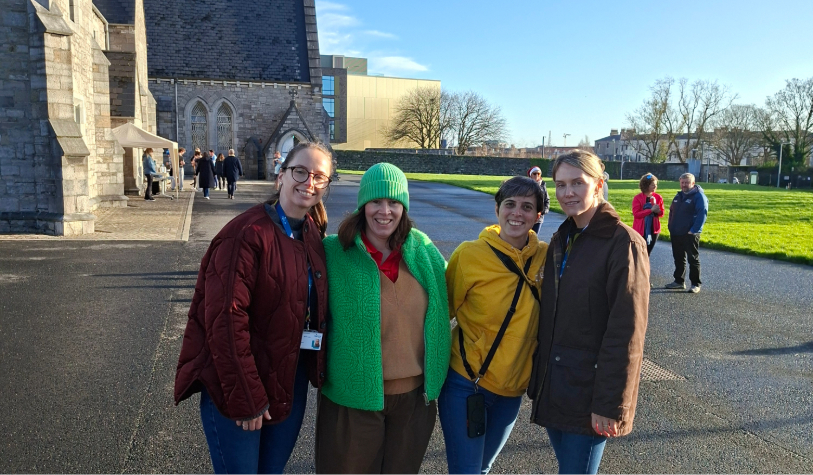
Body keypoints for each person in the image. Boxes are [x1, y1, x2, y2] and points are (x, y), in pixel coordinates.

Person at [174, 141, 335, 474]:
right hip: (239, 384)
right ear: (281, 175)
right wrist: (247, 396)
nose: (309, 183)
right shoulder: (246, 234)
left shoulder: (311, 234)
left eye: (319, 177)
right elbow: (225, 322)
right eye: (300, 172)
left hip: (288, 380)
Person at [316, 163, 451, 474]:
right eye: (376, 201)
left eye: (394, 202)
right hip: (352, 400)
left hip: (414, 401)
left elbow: (455, 301)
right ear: (363, 205)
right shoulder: (334, 251)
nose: (385, 211)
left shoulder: (424, 250)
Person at [528, 150, 649, 475]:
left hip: (591, 392)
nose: (567, 193)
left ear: (597, 184)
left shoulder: (623, 243)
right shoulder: (562, 238)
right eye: (561, 184)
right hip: (557, 385)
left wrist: (610, 405)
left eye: (577, 183)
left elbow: (626, 333)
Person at [439, 176, 548, 474]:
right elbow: (441, 313)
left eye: (527, 207)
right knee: (467, 471)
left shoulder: (546, 258)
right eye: (509, 204)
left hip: (511, 392)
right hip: (466, 383)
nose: (517, 213)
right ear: (497, 209)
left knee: (483, 467)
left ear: (538, 216)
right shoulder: (469, 254)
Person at [664, 172, 709, 293]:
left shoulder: (699, 196)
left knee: (692, 258)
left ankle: (695, 284)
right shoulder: (679, 196)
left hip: (690, 233)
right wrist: (670, 226)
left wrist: (694, 230)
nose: (684, 185)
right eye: (682, 182)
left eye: (687, 183)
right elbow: (671, 211)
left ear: (693, 183)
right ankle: (679, 281)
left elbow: (702, 214)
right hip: (676, 232)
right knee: (678, 258)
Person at [631, 173, 664, 256]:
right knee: (639, 253)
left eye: (656, 185)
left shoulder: (658, 197)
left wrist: (658, 211)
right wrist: (650, 210)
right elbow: (636, 214)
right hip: (640, 229)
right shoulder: (637, 198)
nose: (655, 187)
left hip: (654, 229)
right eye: (653, 185)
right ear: (646, 185)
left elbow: (662, 213)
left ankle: (645, 268)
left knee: (647, 252)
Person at [527, 166, 551, 237]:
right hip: (528, 216)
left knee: (534, 237)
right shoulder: (526, 185)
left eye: (538, 174)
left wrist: (543, 211)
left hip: (539, 218)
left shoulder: (543, 186)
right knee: (524, 237)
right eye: (534, 174)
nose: (536, 176)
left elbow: (547, 200)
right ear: (530, 175)